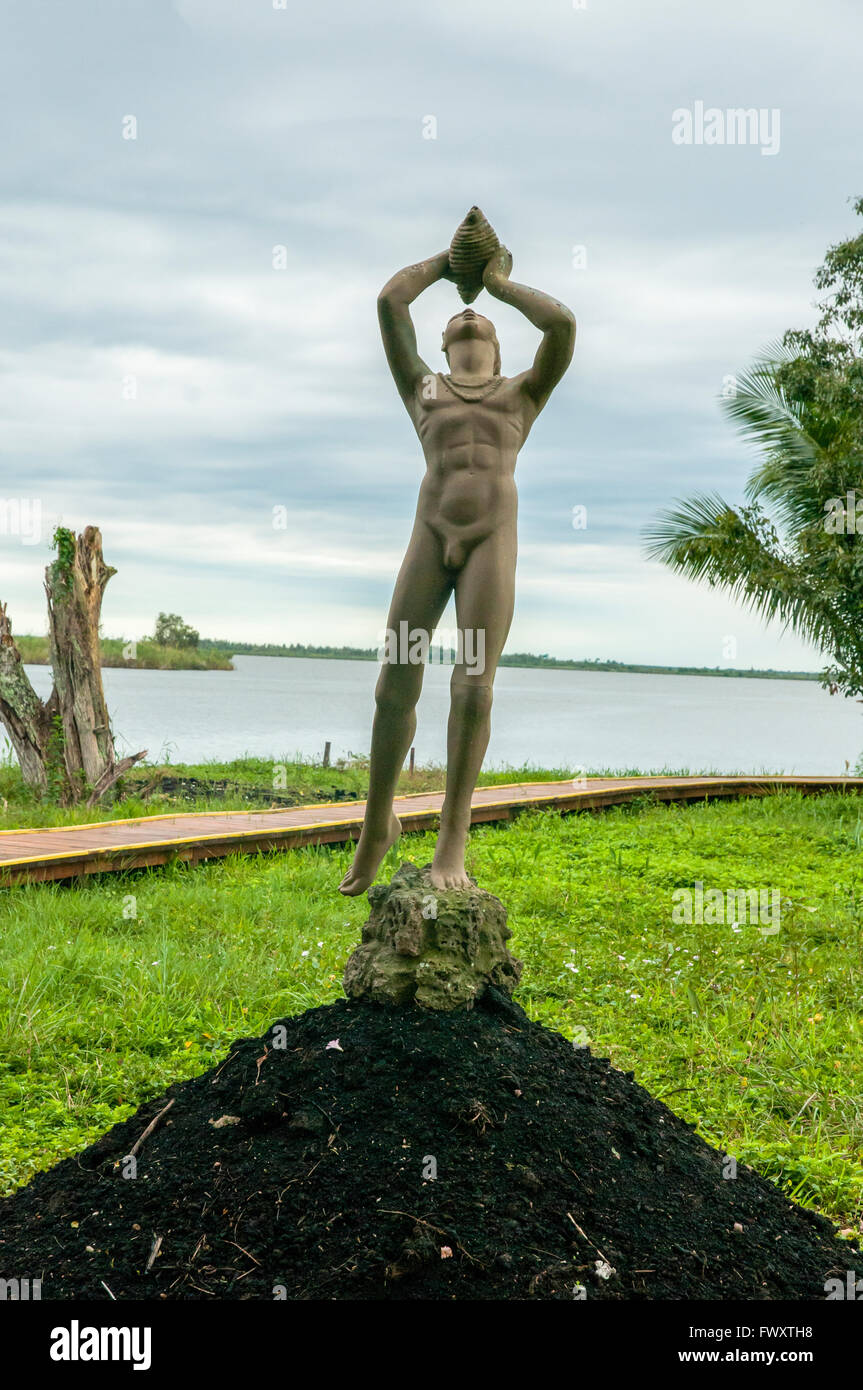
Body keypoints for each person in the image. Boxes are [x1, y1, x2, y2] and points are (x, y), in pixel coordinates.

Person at [339, 243, 575, 895]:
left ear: (496, 345)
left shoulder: (522, 392)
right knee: (394, 685)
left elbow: (561, 325)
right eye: (456, 320)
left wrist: (496, 283)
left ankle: (452, 840)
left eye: (481, 321)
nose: (467, 318)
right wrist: (449, 260)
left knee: (472, 685)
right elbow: (391, 301)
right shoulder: (422, 389)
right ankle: (375, 824)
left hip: (488, 541)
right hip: (430, 533)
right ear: (442, 347)